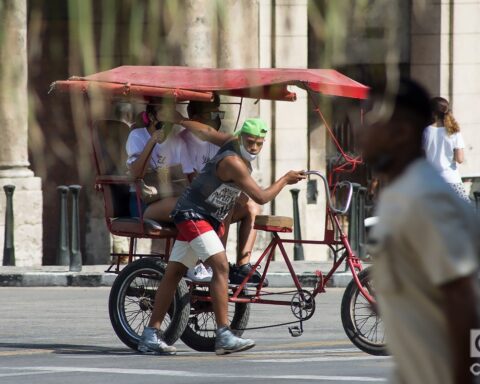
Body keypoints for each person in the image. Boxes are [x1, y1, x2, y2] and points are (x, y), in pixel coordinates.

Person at [138, 112, 306, 355]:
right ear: (241, 139)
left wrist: (178, 119)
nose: (255, 147)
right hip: (193, 214)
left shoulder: (231, 143)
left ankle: (150, 335)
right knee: (221, 267)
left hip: (205, 216)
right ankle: (224, 334)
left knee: (173, 273)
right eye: (250, 142)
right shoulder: (233, 162)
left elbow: (205, 131)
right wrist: (284, 179)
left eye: (259, 143)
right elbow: (261, 197)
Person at [359, 78, 480, 384]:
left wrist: (468, 375)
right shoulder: (401, 194)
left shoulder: (427, 200)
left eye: (372, 121)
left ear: (400, 132)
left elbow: (464, 301)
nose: (361, 132)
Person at [180, 94, 264, 285]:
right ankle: (219, 263)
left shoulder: (219, 142)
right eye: (213, 113)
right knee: (226, 204)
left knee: (252, 208)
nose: (217, 118)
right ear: (196, 116)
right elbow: (190, 179)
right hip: (194, 203)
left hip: (216, 199)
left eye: (218, 112)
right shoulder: (183, 140)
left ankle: (242, 265)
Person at [126, 103, 194, 221]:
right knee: (185, 206)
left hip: (172, 196)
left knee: (196, 206)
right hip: (143, 201)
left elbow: (189, 177)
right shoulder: (137, 135)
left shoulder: (178, 142)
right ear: (152, 117)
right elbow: (137, 173)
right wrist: (152, 142)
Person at [423, 97, 470, 202]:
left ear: (432, 112)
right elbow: (460, 159)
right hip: (452, 180)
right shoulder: (454, 132)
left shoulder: (425, 132)